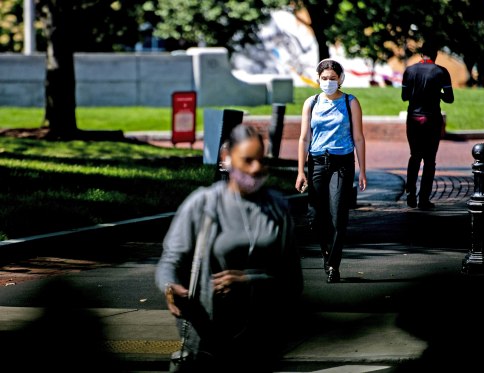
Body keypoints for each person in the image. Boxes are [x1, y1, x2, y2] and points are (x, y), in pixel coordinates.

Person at [155, 124, 303, 373]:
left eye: (261, 160)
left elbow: (292, 281)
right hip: (207, 336)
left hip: (260, 338)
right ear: (227, 159)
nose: (256, 168)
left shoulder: (277, 208)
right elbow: (170, 261)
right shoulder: (204, 203)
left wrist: (250, 280)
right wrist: (170, 288)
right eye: (247, 160)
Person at [295, 58, 367, 284]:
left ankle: (333, 265)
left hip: (342, 163)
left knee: (338, 215)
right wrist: (300, 171)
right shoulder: (311, 103)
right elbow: (304, 137)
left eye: (333, 79)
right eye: (324, 78)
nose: (328, 82)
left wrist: (363, 170)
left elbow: (358, 137)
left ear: (341, 79)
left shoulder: (350, 102)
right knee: (316, 216)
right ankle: (327, 254)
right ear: (318, 79)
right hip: (316, 162)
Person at [401, 40, 454, 209]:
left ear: (420, 53)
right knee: (430, 160)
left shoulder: (409, 70)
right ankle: (424, 199)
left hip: (414, 118)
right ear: (436, 54)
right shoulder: (441, 72)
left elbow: (404, 96)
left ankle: (410, 192)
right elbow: (450, 98)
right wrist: (437, 93)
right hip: (432, 119)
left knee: (414, 156)